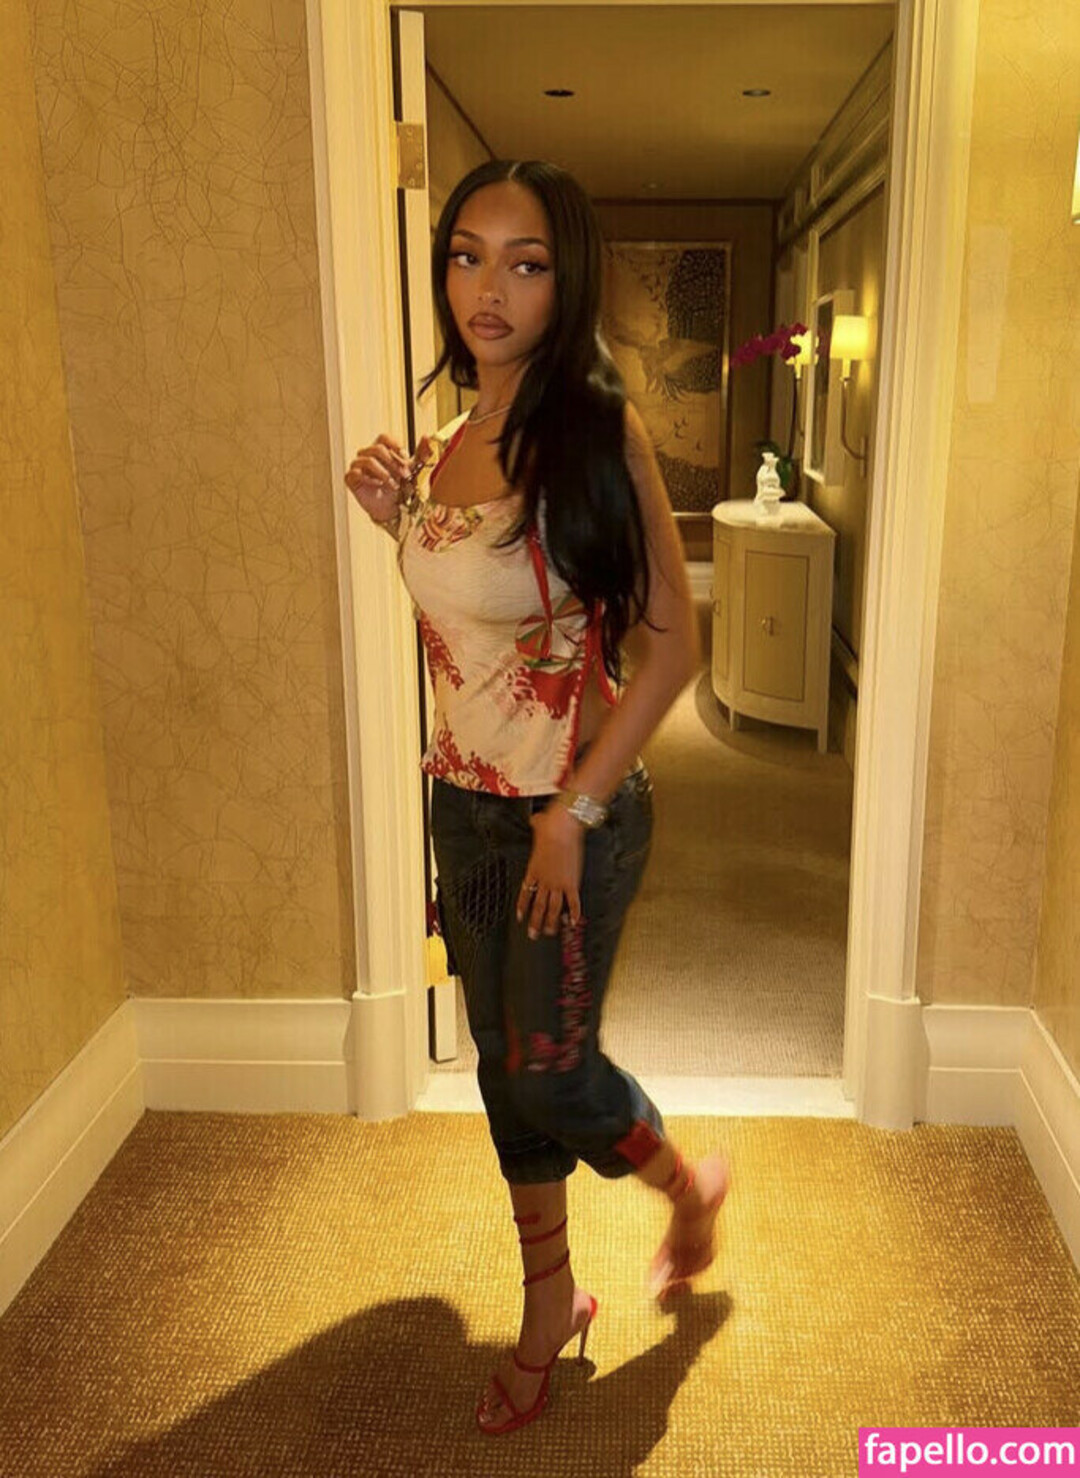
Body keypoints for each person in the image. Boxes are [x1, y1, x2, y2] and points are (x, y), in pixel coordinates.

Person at [344, 159, 731, 1438]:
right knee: (505, 1073)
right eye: (467, 254)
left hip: (575, 811)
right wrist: (396, 518)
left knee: (556, 1075)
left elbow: (673, 647)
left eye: (525, 263)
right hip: (463, 808)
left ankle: (687, 1188)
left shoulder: (595, 434)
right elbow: (477, 615)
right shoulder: (446, 439)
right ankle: (549, 1298)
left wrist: (572, 812)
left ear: (566, 282)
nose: (488, 288)